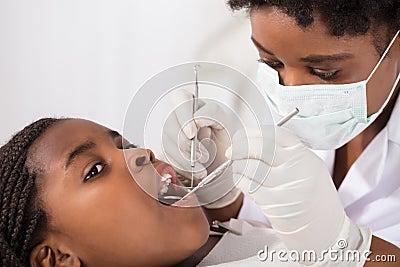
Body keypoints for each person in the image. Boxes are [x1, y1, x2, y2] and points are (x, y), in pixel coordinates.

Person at [163, 0, 400, 265]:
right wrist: (224, 197)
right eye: (272, 63)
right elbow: (277, 232)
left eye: (325, 73)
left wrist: (347, 249)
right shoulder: (259, 97)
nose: (290, 91)